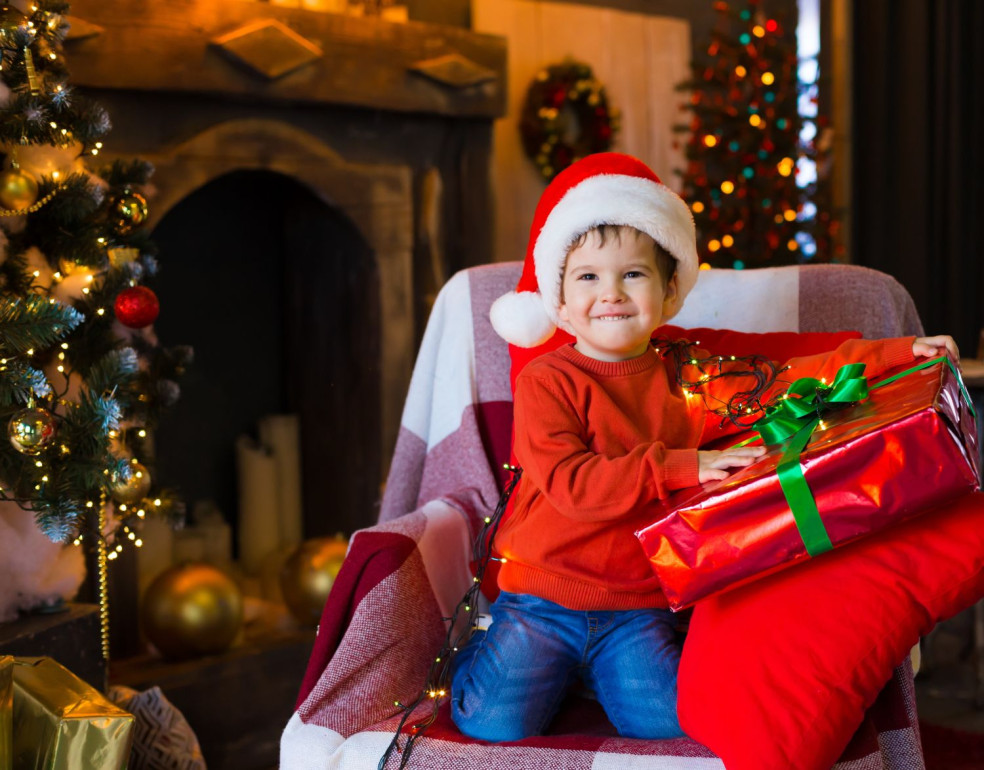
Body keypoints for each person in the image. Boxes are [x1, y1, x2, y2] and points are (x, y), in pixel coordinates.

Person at [450, 152, 957, 742]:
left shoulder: (688, 372)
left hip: (638, 606)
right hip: (542, 599)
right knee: (491, 722)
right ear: (559, 301)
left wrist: (897, 354)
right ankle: (488, 653)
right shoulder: (548, 382)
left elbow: (791, 376)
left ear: (669, 295)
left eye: (632, 275)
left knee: (667, 720)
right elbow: (571, 483)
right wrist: (686, 466)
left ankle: (588, 674)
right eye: (587, 276)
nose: (609, 293)